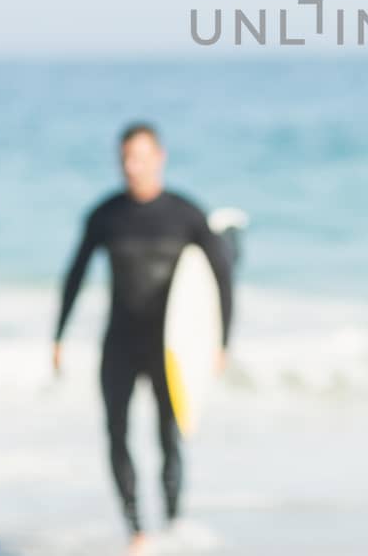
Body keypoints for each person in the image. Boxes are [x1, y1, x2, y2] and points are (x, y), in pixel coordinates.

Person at [53, 123, 235, 555]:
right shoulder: (106, 215)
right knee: (116, 434)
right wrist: (58, 336)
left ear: (160, 157)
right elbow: (74, 275)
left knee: (168, 436)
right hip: (119, 342)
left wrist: (220, 341)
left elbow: (221, 278)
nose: (132, 167)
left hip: (170, 348)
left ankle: (172, 524)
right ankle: (136, 528)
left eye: (140, 157)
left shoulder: (188, 215)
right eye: (126, 158)